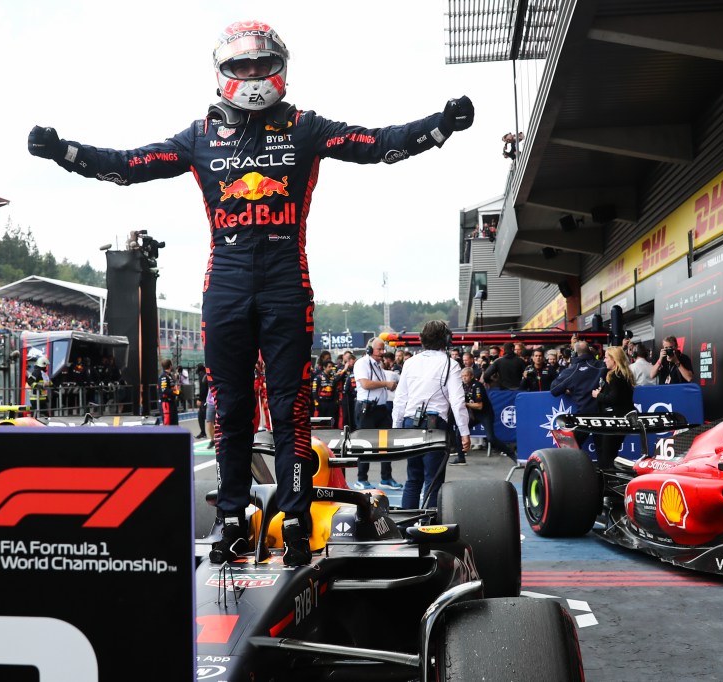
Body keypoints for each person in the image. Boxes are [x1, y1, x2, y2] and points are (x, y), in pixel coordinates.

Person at [28, 19, 474, 568]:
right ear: (222, 74)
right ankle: (232, 514)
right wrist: (66, 152)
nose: (255, 75)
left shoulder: (305, 127)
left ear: (281, 68)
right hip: (227, 284)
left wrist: (439, 126)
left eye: (263, 64)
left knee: (291, 411)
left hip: (288, 282)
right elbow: (128, 164)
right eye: (243, 66)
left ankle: (293, 511)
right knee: (233, 410)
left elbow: (377, 144)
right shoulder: (198, 135)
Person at [392, 321, 470, 509]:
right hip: (434, 425)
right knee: (433, 481)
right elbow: (457, 401)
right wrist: (464, 432)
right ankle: (430, 529)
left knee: (413, 478)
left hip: (411, 423)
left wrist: (395, 428)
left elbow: (400, 399)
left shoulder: (410, 362)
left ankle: (406, 526)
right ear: (446, 339)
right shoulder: (450, 364)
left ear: (422, 339)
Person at [353, 338, 400, 490]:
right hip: (367, 409)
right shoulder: (362, 363)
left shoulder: (378, 365)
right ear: (369, 349)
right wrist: (386, 384)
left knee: (385, 444)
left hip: (380, 409)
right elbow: (365, 384)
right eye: (379, 349)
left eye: (383, 349)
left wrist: (388, 386)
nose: (382, 352)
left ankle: (386, 477)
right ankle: (361, 478)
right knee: (366, 444)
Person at [453, 367, 517, 465]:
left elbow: (479, 406)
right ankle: (461, 458)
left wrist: (465, 404)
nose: (464, 378)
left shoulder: (477, 386)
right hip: (474, 415)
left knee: (491, 438)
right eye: (462, 376)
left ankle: (511, 454)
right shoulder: (463, 386)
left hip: (485, 414)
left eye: (466, 376)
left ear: (471, 376)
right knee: (459, 431)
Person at [550, 339, 605, 448]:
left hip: (584, 416)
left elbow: (554, 389)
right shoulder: (602, 365)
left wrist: (569, 389)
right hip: (603, 416)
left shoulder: (571, 370)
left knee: (568, 449)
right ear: (590, 351)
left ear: (574, 353)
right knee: (604, 454)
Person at [592, 346, 636, 469]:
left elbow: (614, 399)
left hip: (615, 420)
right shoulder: (624, 374)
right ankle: (610, 481)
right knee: (611, 454)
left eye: (606, 358)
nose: (604, 360)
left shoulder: (615, 376)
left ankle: (609, 483)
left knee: (607, 456)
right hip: (621, 419)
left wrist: (598, 395)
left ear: (614, 359)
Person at [311, 359, 338, 428]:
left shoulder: (333, 378)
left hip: (330, 402)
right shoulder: (318, 377)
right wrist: (316, 403)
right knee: (320, 422)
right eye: (329, 367)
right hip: (321, 402)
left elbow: (335, 391)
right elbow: (314, 391)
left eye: (331, 366)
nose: (331, 368)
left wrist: (335, 402)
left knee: (331, 422)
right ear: (324, 367)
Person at [159, 359, 180, 425]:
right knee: (167, 423)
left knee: (175, 423)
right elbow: (164, 390)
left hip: (172, 402)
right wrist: (177, 392)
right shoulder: (163, 376)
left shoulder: (170, 376)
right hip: (166, 403)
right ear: (170, 365)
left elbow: (173, 385)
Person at [195, 363, 209, 438]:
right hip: (208, 398)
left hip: (205, 399)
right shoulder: (206, 374)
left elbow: (203, 388)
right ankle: (203, 432)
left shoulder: (202, 375)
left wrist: (200, 399)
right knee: (201, 415)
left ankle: (203, 433)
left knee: (203, 416)